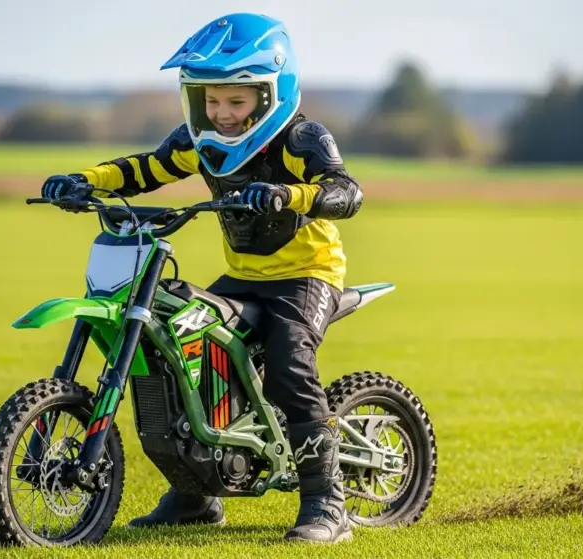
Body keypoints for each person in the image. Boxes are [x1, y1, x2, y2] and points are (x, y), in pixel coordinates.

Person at [39, 13, 362, 544]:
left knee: (288, 369)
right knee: (179, 351)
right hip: (244, 276)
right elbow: (146, 168)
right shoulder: (202, 141)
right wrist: (85, 181)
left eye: (236, 101)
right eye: (211, 100)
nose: (222, 113)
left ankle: (327, 501)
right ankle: (196, 494)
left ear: (271, 94)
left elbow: (346, 191)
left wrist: (288, 195)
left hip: (307, 277)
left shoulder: (302, 138)